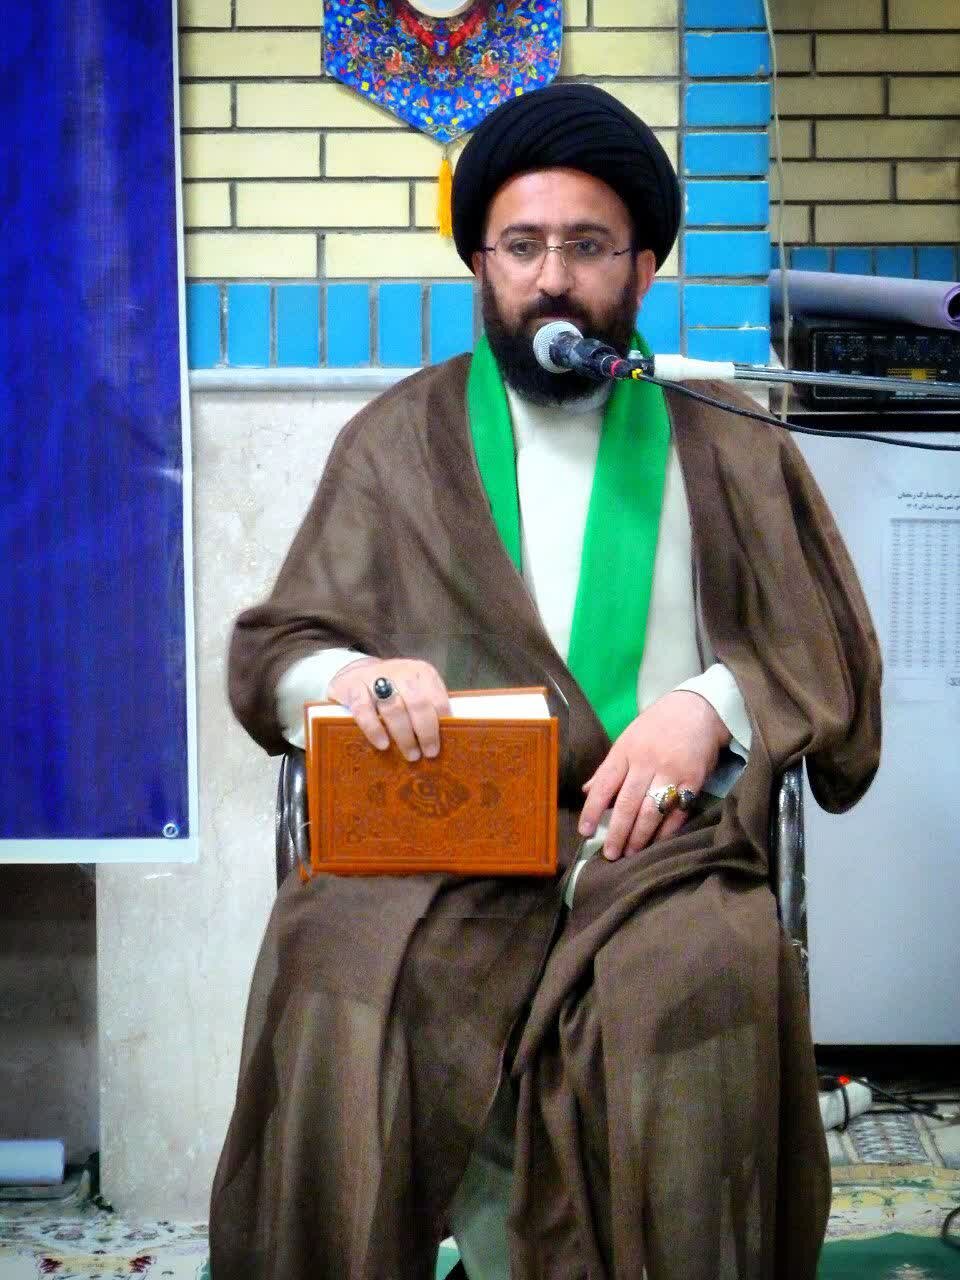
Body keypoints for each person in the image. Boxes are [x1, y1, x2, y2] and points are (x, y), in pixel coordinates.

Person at [209, 84, 881, 1280]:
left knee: (701, 981)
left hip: (663, 843)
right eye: (522, 246)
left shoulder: (724, 433)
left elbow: (819, 645)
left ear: (645, 266)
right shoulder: (397, 439)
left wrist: (711, 705)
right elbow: (279, 648)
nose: (552, 278)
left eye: (587, 246)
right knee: (335, 958)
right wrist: (357, 675)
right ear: (482, 261)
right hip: (445, 838)